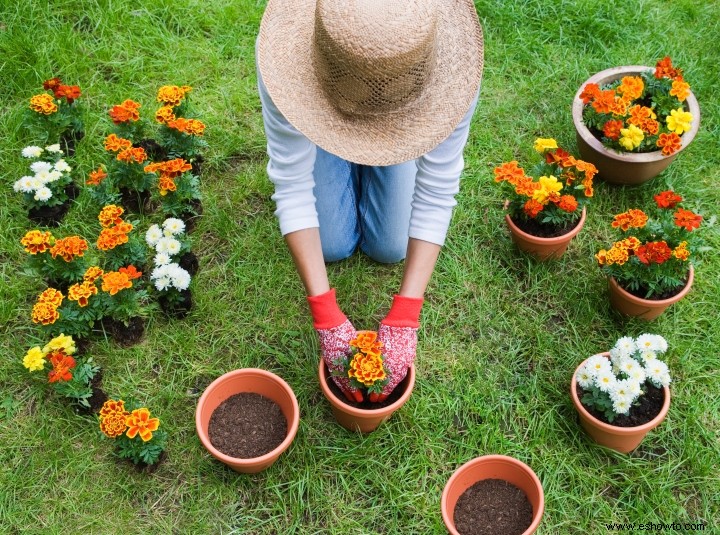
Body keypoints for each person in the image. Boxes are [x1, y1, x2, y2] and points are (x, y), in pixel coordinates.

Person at [256, 0, 484, 402]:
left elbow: (438, 189)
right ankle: (336, 145)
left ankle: (379, 145)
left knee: (390, 247)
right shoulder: (285, 69)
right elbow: (291, 183)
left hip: (401, 104)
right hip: (326, 99)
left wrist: (406, 314)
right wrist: (325, 312)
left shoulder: (451, 75)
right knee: (333, 246)